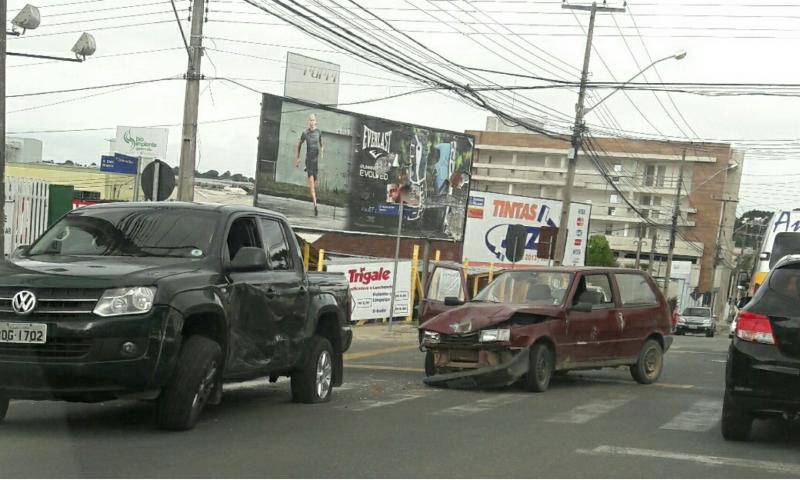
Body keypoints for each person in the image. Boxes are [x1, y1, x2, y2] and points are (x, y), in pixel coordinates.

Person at [295, 113, 323, 216]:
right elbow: (299, 145)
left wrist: (322, 151)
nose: (311, 122)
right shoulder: (305, 133)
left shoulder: (319, 132)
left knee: (315, 185)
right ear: (308, 122)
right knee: (311, 184)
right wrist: (298, 158)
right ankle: (315, 206)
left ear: (316, 121)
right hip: (309, 161)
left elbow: (321, 144)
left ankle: (314, 197)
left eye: (313, 120)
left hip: (316, 162)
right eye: (310, 120)